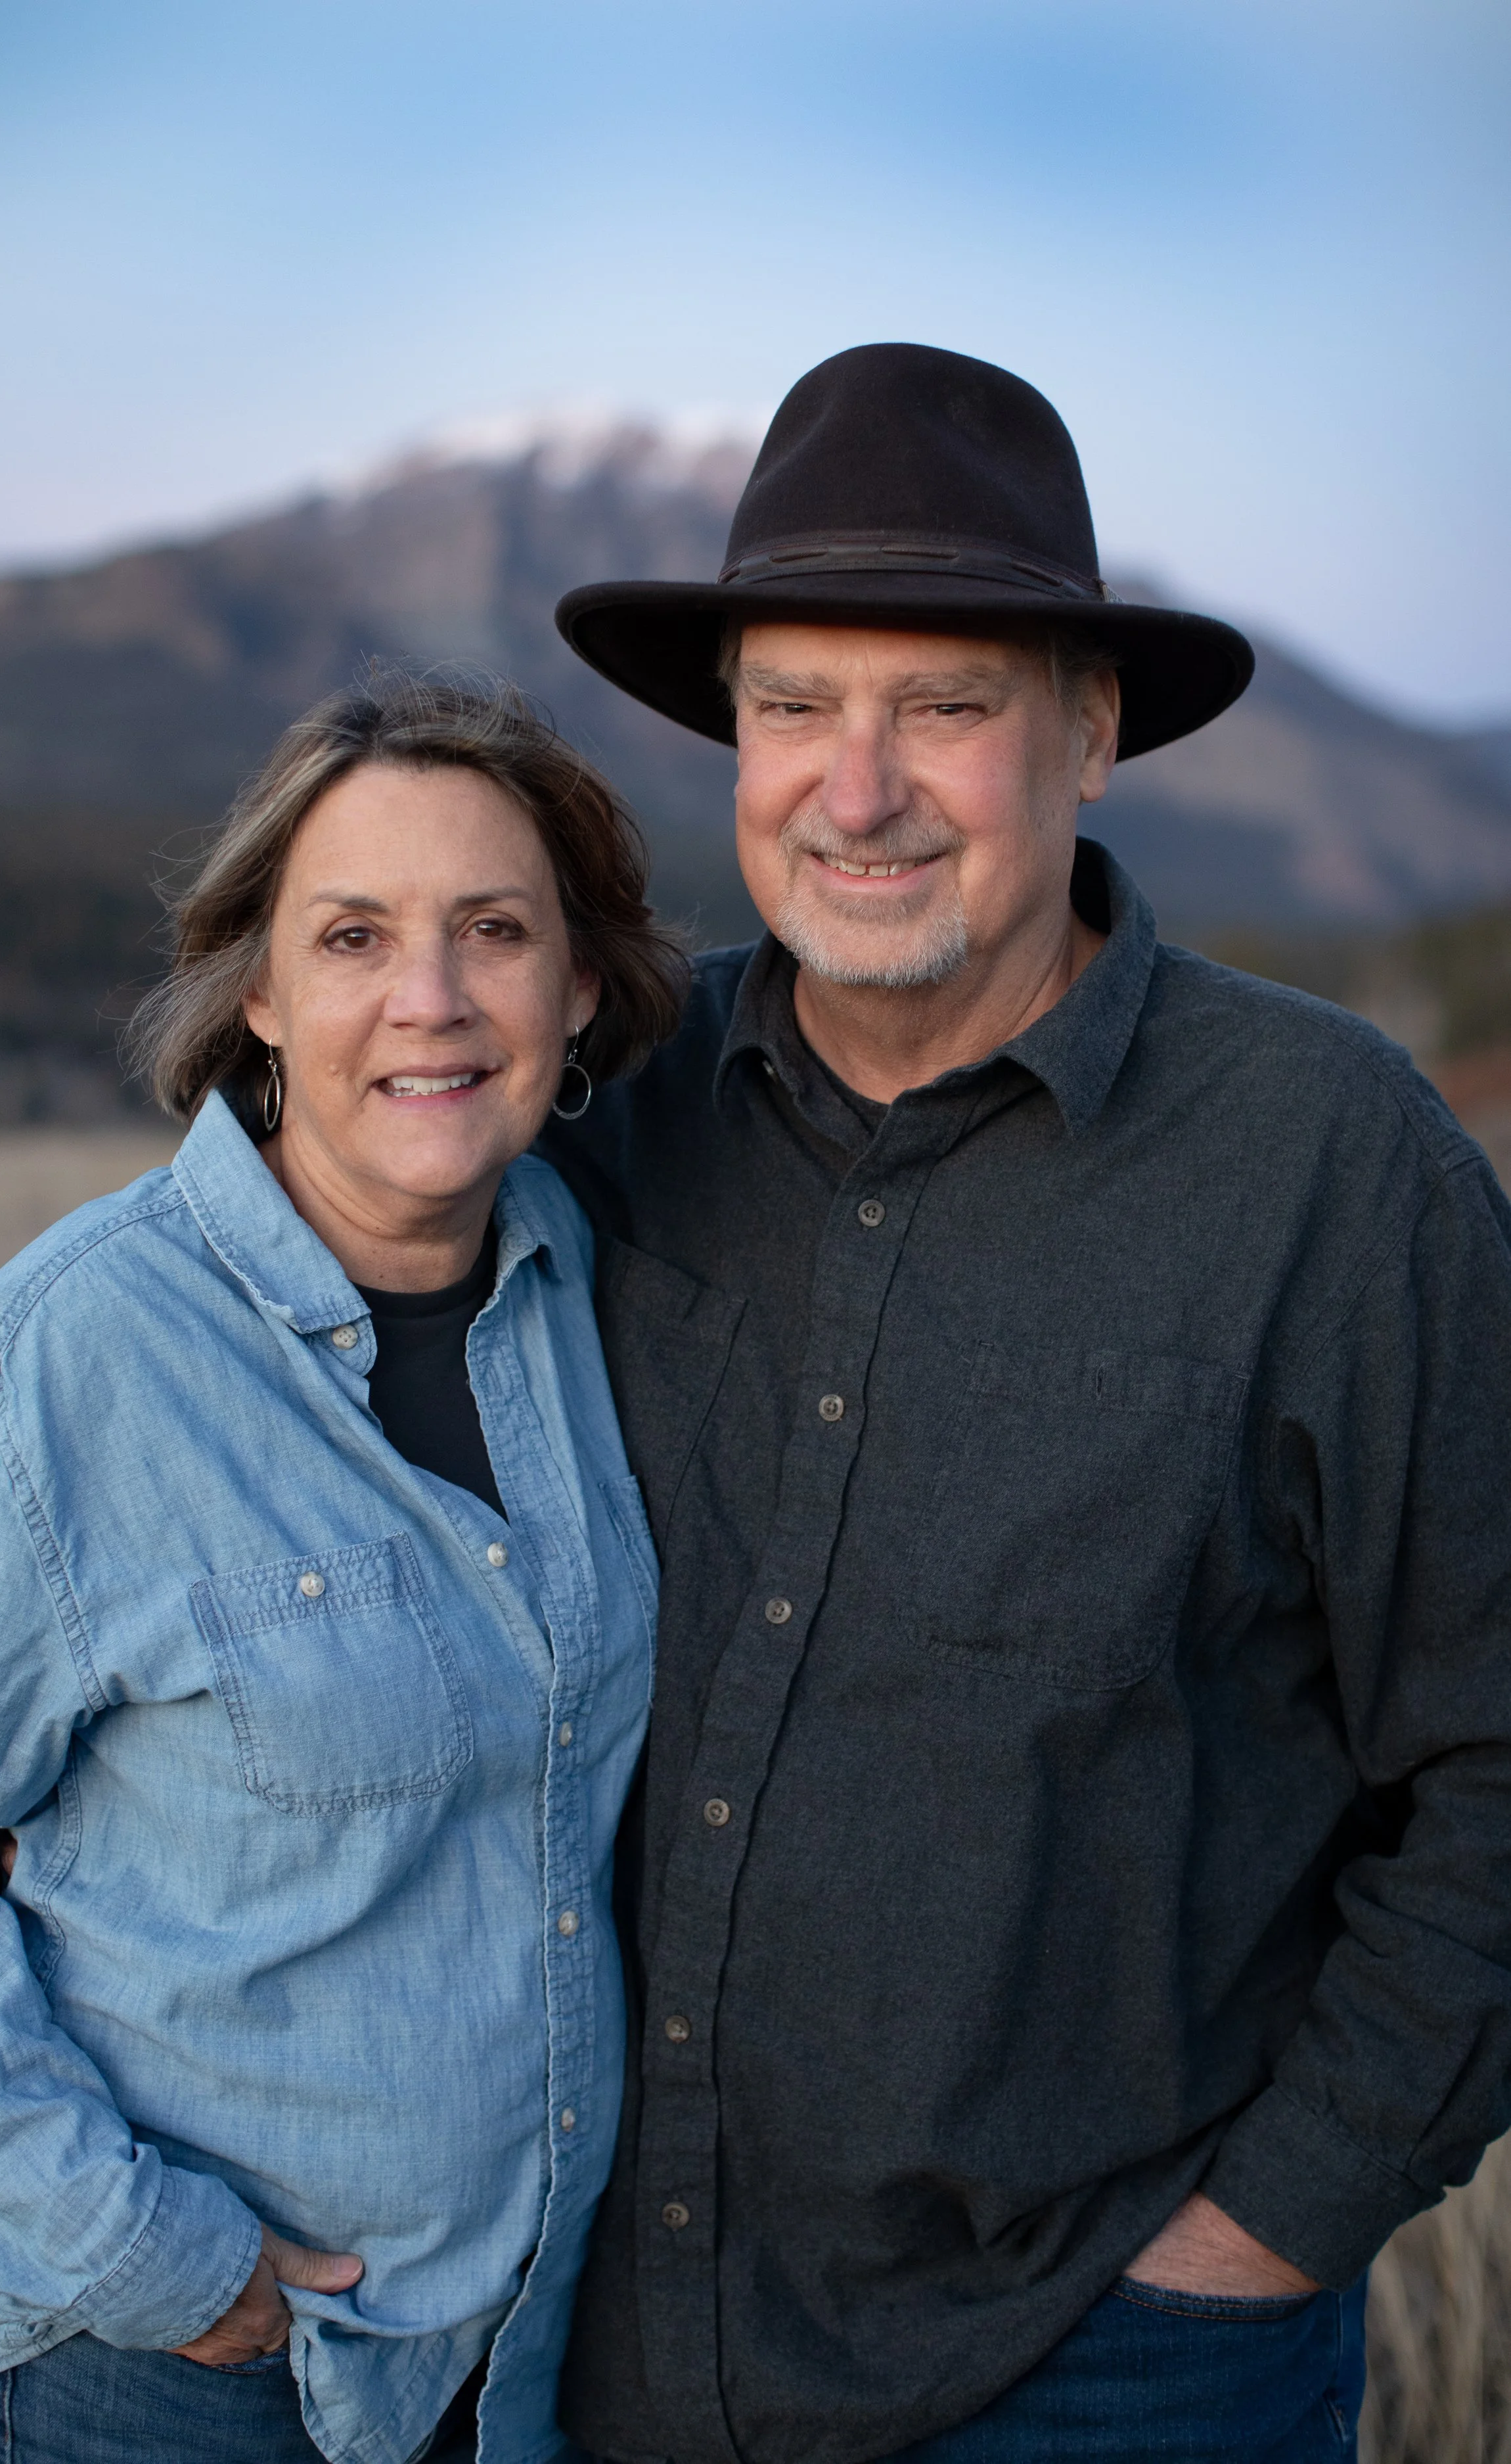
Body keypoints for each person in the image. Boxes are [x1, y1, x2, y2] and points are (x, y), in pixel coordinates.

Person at [539, 344, 1511, 2463]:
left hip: (1107, 2370)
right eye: (789, 705)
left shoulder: (1330, 1165)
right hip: (603, 2357)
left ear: (1089, 730)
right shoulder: (604, 1107)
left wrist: (1267, 2230)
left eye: (945, 707)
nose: (852, 781)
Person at [0, 675, 685, 2464]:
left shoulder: (588, 1286)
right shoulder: (58, 1367)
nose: (430, 998)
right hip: (162, 2382)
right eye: (354, 935)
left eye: (494, 929)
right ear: (256, 989)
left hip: (506, 2371)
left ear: (575, 986)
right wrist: (149, 2253)